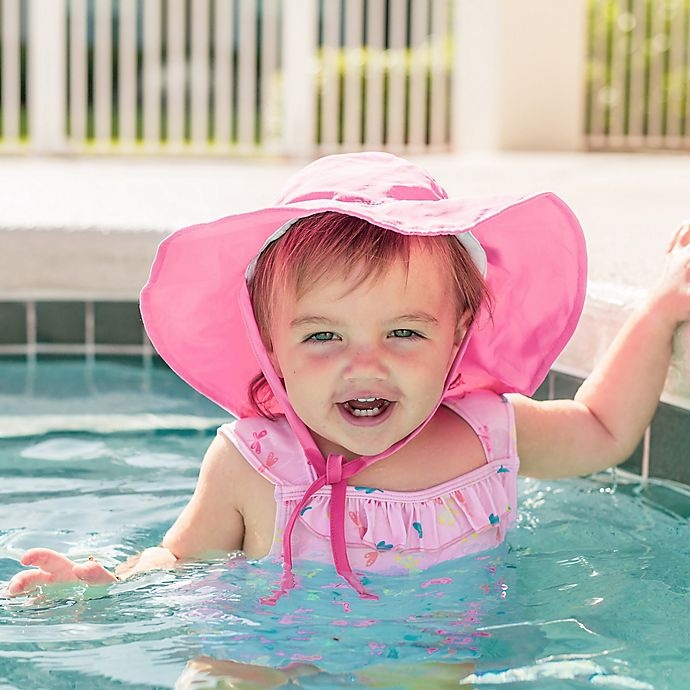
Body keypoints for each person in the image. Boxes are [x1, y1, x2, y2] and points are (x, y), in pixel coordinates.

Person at [6, 152, 690, 601]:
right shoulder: (251, 463)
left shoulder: (489, 433)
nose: (366, 364)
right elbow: (179, 560)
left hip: (424, 652)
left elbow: (603, 429)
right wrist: (103, 587)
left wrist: (658, 313)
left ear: (457, 336)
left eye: (404, 332)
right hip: (264, 647)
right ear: (270, 346)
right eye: (324, 336)